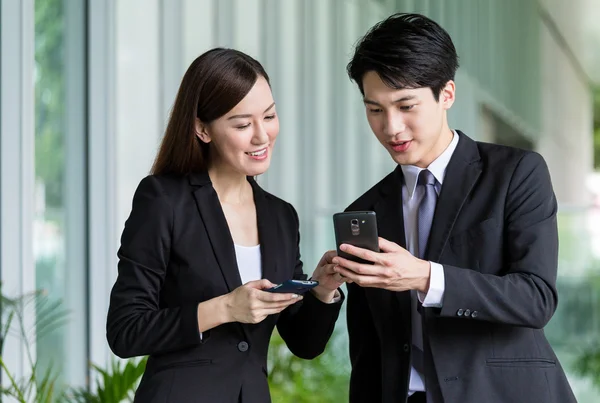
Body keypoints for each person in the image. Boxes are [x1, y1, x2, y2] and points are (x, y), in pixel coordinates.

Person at [332, 13, 576, 403]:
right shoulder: (365, 209)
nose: (391, 127)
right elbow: (369, 346)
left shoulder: (516, 173)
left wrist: (427, 277)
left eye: (406, 105)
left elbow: (536, 298)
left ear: (447, 94)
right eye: (375, 110)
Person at [106, 48, 345, 403]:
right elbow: (125, 330)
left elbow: (304, 343)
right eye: (243, 124)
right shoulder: (164, 200)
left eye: (269, 116)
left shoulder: (281, 216)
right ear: (203, 129)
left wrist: (323, 290)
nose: (262, 136)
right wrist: (224, 309)